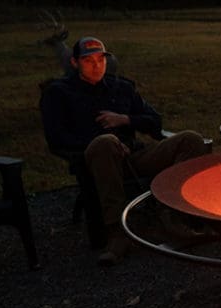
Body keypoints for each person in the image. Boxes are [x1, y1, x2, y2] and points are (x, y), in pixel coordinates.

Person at [39, 36, 208, 266]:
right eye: (89, 61)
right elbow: (57, 138)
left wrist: (125, 119)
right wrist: (100, 141)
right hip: (94, 160)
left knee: (191, 140)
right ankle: (118, 234)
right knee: (105, 143)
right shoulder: (60, 93)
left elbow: (154, 121)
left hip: (134, 156)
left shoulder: (121, 87)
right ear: (74, 63)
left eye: (101, 59)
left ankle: (174, 218)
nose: (97, 65)